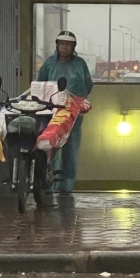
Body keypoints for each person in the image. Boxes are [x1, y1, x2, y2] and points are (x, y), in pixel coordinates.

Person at [36, 30, 94, 194]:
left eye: (68, 45)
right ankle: (48, 182)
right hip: (51, 110)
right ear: (57, 45)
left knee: (71, 146)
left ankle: (66, 186)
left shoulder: (80, 64)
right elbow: (41, 84)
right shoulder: (49, 63)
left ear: (73, 47)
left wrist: (76, 100)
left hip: (73, 112)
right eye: (62, 44)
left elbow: (88, 84)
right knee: (49, 144)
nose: (64, 48)